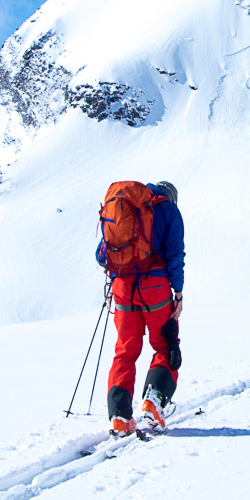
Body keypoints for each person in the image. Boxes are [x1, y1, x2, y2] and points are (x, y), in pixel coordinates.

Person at [98, 180, 185, 436]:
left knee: (125, 351)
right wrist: (178, 292)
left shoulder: (124, 206)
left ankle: (120, 417)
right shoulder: (169, 210)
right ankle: (153, 403)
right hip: (155, 288)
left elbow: (101, 254)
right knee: (164, 346)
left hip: (123, 288)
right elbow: (175, 254)